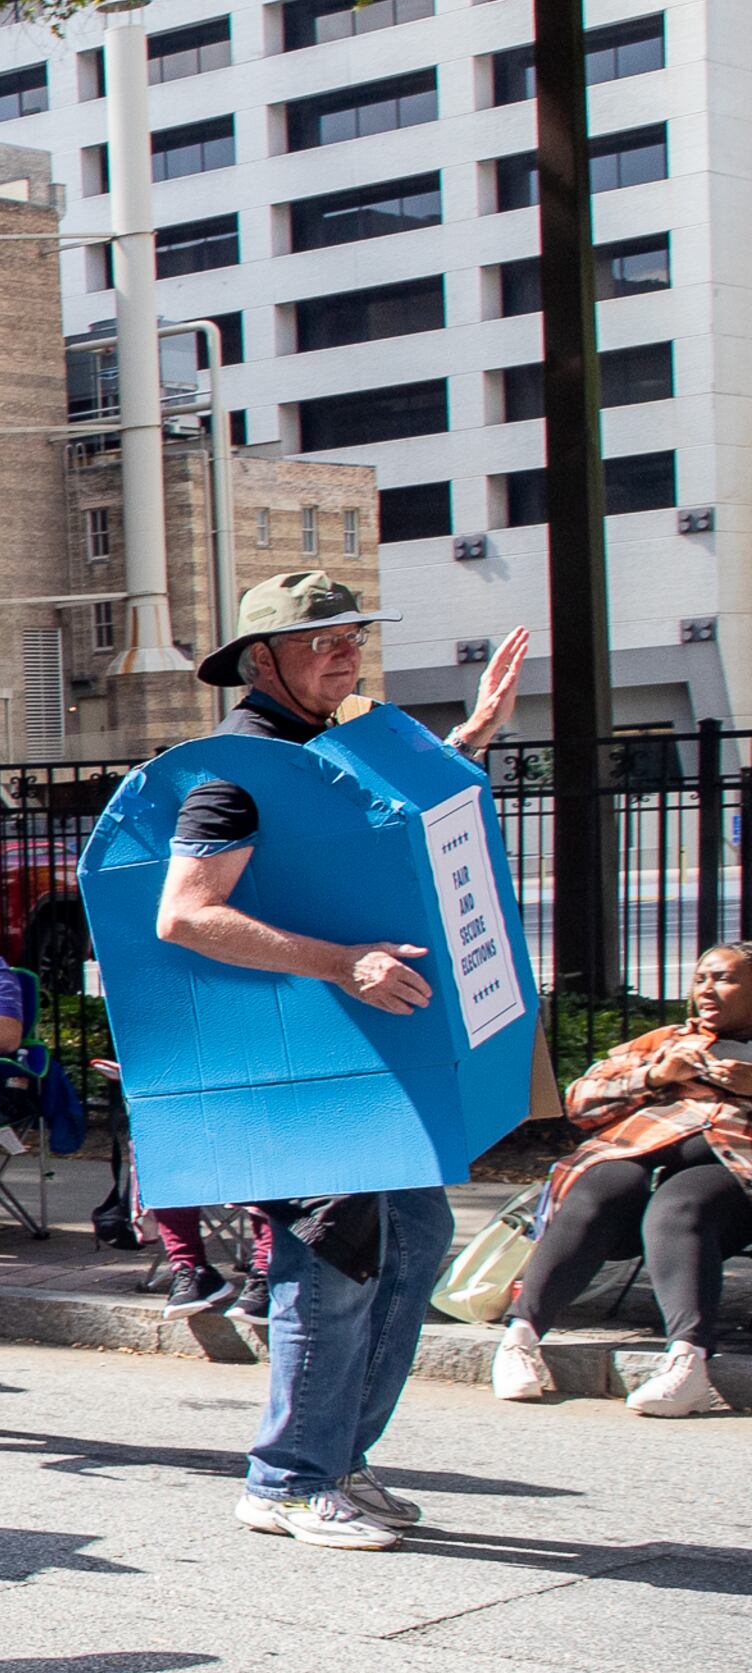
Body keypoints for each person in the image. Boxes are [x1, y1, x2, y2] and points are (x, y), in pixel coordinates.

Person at [155, 587, 525, 1549]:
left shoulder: (322, 752)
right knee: (336, 1257)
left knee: (413, 1238)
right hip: (308, 1070)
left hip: (369, 1064)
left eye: (352, 639)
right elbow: (184, 913)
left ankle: (337, 1459)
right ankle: (284, 1478)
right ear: (260, 660)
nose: (345, 657)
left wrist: (470, 741)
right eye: (321, 643)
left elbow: (381, 841)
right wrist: (339, 962)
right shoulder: (233, 774)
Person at [495, 939, 748, 1417]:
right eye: (700, 979)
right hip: (636, 1157)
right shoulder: (667, 1041)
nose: (707, 990)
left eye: (724, 978)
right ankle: (519, 1340)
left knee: (680, 1204)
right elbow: (580, 1100)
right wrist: (654, 1076)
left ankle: (687, 1365)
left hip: (731, 1175)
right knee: (601, 1186)